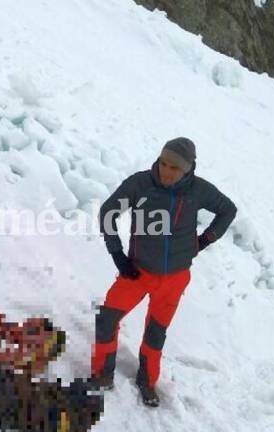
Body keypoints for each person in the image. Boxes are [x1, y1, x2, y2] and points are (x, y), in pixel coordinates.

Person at [90, 137, 237, 407]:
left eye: (174, 168)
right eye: (163, 163)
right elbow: (109, 212)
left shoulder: (198, 190)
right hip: (136, 272)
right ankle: (102, 375)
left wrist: (204, 240)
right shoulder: (140, 183)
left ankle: (147, 381)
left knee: (156, 333)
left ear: (188, 169)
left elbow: (228, 210)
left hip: (175, 279)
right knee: (106, 319)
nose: (166, 171)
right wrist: (117, 254)